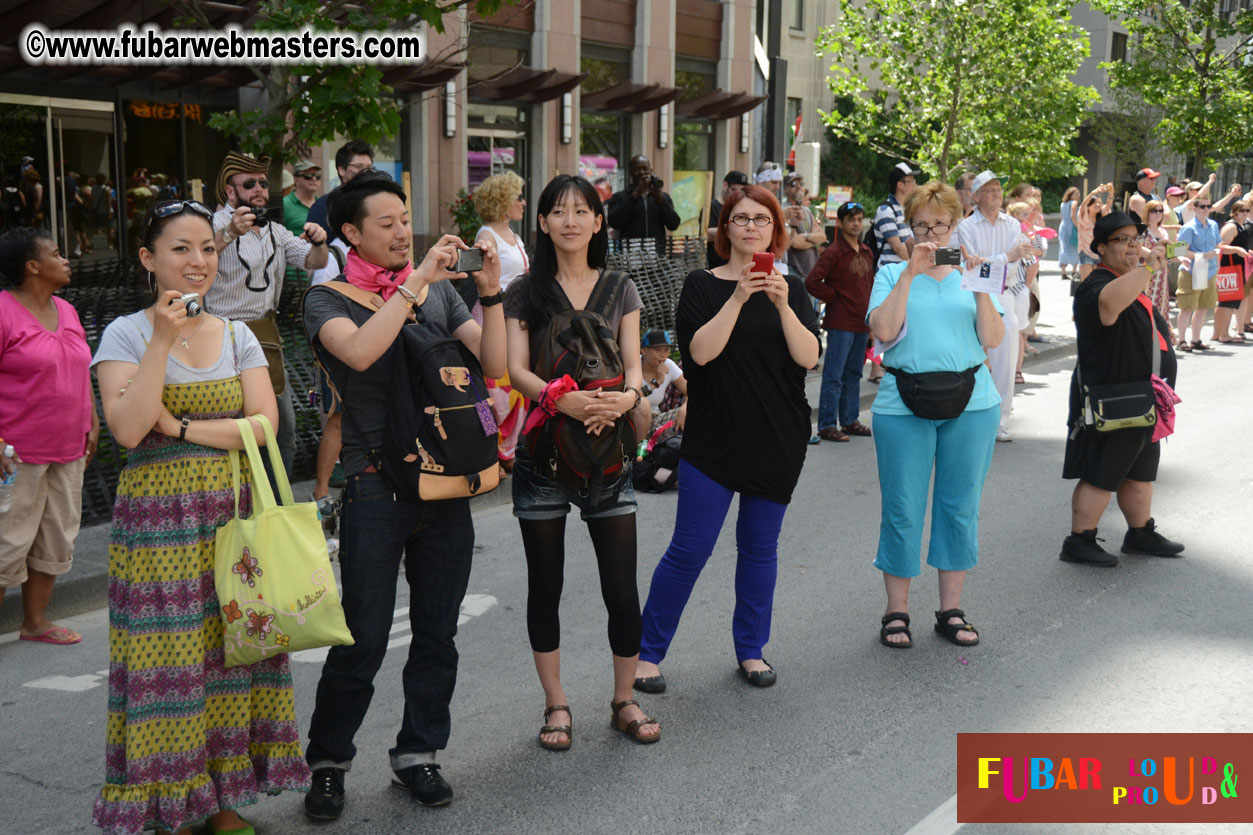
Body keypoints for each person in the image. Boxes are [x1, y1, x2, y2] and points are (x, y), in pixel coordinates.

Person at [91, 200, 307, 835]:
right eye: (181, 249)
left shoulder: (238, 334)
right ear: (148, 259)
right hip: (158, 524)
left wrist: (183, 426)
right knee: (169, 662)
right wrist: (162, 340)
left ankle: (222, 798)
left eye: (207, 249)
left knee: (232, 652)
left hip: (233, 515)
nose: (197, 262)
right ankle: (171, 804)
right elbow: (129, 430)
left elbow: (265, 426)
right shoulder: (126, 335)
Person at [301, 171, 507, 819]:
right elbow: (360, 353)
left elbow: (492, 364)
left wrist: (490, 293)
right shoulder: (326, 299)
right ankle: (329, 761)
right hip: (372, 487)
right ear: (351, 233)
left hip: (444, 483)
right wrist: (417, 280)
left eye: (404, 219)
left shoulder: (440, 296)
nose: (400, 231)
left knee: (437, 633)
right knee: (360, 636)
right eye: (384, 223)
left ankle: (418, 752)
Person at [633, 184, 820, 692]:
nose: (752, 227)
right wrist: (739, 297)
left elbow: (809, 358)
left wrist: (782, 307)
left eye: (762, 219)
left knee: (760, 548)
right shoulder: (701, 285)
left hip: (777, 437)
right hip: (714, 438)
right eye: (741, 219)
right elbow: (699, 354)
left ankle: (751, 650)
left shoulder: (793, 289)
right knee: (690, 549)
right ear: (725, 230)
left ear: (775, 230)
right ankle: (646, 654)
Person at [502, 173, 658, 749]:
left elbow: (635, 364)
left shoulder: (621, 286)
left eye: (581, 210)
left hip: (609, 455)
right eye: (558, 211)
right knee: (546, 587)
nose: (570, 220)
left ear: (599, 221)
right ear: (541, 223)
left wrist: (627, 398)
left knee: (621, 588)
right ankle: (557, 704)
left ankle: (624, 698)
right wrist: (556, 398)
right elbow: (516, 367)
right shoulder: (524, 291)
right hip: (542, 458)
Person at [867, 182, 1005, 649]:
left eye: (940, 224)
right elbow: (883, 332)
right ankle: (896, 611)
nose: (930, 234)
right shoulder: (891, 274)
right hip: (902, 402)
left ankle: (951, 610)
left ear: (955, 225)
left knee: (959, 507)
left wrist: (980, 283)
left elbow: (992, 338)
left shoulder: (975, 269)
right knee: (902, 509)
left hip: (973, 402)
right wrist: (909, 275)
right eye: (921, 224)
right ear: (909, 227)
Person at [1060, 211, 1183, 567]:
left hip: (1144, 398)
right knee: (1103, 470)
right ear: (1101, 248)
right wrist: (1148, 268)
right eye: (1123, 240)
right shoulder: (1096, 284)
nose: (1133, 246)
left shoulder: (1129, 279)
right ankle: (1079, 539)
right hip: (1113, 399)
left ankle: (1140, 531)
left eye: (1135, 239)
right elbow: (1110, 305)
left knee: (1140, 469)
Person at [0, 228, 97, 646]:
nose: (67, 259)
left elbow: (80, 370)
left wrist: (91, 419)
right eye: (57, 254)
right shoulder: (3, 311)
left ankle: (35, 623)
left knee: (55, 537)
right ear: (32, 266)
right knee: (7, 541)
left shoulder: (67, 310)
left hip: (68, 446)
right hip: (15, 453)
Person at [207, 152, 329, 479]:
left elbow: (314, 262)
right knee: (235, 429)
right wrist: (230, 232)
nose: (260, 189)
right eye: (250, 184)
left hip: (265, 338)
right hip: (223, 337)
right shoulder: (213, 225)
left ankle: (278, 505)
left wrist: (320, 242)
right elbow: (197, 258)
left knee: (282, 427)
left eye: (263, 183)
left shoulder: (275, 230)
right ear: (230, 192)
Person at [957, 171, 1033, 443]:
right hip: (974, 294)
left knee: (1007, 351)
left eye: (999, 189)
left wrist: (994, 262)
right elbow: (972, 267)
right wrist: (1004, 258)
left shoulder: (1012, 224)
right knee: (971, 354)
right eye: (989, 190)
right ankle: (967, 412)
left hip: (1002, 294)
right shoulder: (965, 227)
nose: (996, 194)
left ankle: (1001, 421)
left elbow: (1013, 266)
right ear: (975, 196)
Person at [473, 171, 530, 471]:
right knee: (490, 389)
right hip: (492, 316)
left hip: (515, 319)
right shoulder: (486, 235)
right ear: (502, 201)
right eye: (518, 196)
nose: (523, 201)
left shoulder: (515, 236)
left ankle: (506, 450)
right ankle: (488, 448)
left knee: (516, 384)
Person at [805, 200, 875, 442]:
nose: (856, 224)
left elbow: (870, 287)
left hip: (861, 323)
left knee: (854, 374)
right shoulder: (834, 252)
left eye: (859, 219)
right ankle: (826, 424)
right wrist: (833, 297)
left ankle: (849, 420)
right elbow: (812, 281)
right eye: (851, 219)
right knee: (834, 375)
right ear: (841, 222)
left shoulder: (866, 252)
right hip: (840, 322)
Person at [1174, 195, 1224, 351]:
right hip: (1192, 269)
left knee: (1203, 307)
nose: (1206, 210)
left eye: (1208, 206)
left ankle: (1196, 339)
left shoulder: (1213, 225)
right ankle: (1181, 340)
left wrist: (1218, 265)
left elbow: (1217, 246)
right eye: (1202, 206)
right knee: (1187, 307)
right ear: (1194, 208)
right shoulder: (1188, 227)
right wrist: (1200, 255)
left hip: (1208, 270)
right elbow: (1178, 251)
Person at [606, 155, 680, 255]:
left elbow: (673, 224)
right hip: (630, 256)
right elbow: (614, 222)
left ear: (650, 171)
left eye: (645, 169)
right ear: (630, 172)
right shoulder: (619, 197)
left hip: (657, 257)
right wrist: (635, 195)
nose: (641, 173)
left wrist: (660, 199)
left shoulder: (662, 197)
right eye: (637, 169)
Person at [307, 139, 374, 241]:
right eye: (359, 166)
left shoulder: (377, 202)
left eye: (369, 167)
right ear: (341, 170)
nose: (366, 172)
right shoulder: (324, 206)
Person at [1214, 200, 1250, 344]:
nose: (1245, 214)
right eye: (1242, 211)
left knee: (1225, 301)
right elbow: (1220, 246)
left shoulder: (1240, 226)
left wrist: (1246, 252)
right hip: (1230, 268)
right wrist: (1236, 250)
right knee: (1229, 302)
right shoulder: (1231, 226)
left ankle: (1217, 333)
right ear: (1234, 212)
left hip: (1236, 267)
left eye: (1247, 211)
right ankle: (1224, 334)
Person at [784, 172, 827, 288]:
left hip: (810, 271)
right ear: (786, 189)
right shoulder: (783, 210)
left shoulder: (806, 211)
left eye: (801, 183)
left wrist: (806, 237)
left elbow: (823, 236)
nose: (798, 187)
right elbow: (795, 243)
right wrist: (814, 242)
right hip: (793, 271)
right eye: (794, 184)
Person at [873, 162, 920, 266]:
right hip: (890, 274)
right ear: (900, 185)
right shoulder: (886, 210)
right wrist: (918, 263)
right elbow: (897, 247)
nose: (915, 185)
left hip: (906, 270)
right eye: (911, 181)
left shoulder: (908, 209)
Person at [640, 329, 687, 431]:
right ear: (644, 350)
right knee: (642, 405)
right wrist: (656, 382)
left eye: (666, 350)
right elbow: (632, 396)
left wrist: (685, 408)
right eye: (657, 350)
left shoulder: (668, 364)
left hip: (655, 419)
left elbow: (692, 391)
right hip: (633, 419)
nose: (662, 355)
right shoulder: (634, 365)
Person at [707, 171, 749, 268]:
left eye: (742, 191)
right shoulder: (711, 207)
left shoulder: (740, 208)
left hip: (739, 263)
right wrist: (731, 228)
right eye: (734, 190)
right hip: (717, 263)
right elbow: (706, 234)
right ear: (725, 186)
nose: (738, 194)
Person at [1075, 183, 1113, 282]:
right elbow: (1083, 205)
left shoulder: (1102, 217)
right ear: (1089, 206)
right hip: (1086, 252)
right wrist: (1094, 193)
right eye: (1095, 203)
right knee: (1086, 282)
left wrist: (1111, 193)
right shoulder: (1084, 216)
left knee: (1098, 282)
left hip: (1099, 253)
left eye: (1100, 202)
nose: (1098, 205)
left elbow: (1108, 205)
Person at [1143, 199, 1173, 319]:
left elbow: (1169, 253)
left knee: (1161, 309)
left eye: (1160, 211)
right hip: (1147, 273)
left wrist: (1180, 257)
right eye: (1154, 211)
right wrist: (1156, 256)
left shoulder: (1163, 232)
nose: (1158, 213)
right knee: (1146, 307)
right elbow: (1138, 249)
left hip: (1162, 275)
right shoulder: (1142, 230)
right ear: (1147, 212)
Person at [284, 160, 321, 236]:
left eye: (317, 176)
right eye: (308, 175)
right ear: (296, 179)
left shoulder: (323, 204)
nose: (314, 179)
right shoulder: (285, 203)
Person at [1058, 186, 1081, 281]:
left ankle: (1063, 272)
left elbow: (1061, 216)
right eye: (1075, 194)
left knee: (1063, 247)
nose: (1077, 195)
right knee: (1074, 246)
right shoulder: (1074, 203)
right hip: (1071, 226)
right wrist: (1078, 226)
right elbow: (1073, 216)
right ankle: (1074, 271)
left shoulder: (1063, 203)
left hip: (1063, 226)